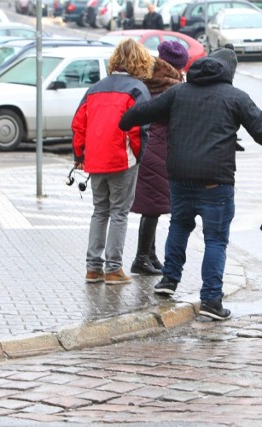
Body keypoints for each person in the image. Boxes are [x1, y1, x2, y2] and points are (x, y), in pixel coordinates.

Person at [119, 47, 262, 320]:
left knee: (180, 226)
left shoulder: (178, 92)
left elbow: (141, 112)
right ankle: (211, 300)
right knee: (216, 240)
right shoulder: (236, 98)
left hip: (180, 177)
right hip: (215, 183)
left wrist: (123, 120)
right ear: (230, 72)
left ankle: (169, 281)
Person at [72, 38, 154, 285]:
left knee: (100, 211)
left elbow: (78, 124)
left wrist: (79, 156)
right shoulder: (137, 89)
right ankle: (114, 268)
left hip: (95, 160)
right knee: (120, 212)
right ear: (140, 61)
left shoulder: (95, 89)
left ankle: (93, 267)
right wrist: (138, 156)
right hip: (122, 158)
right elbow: (140, 128)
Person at [130, 41, 188, 276]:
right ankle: (142, 257)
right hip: (157, 147)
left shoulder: (148, 77)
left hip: (148, 145)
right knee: (153, 205)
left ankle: (150, 255)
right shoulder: (170, 86)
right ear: (176, 65)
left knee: (153, 204)